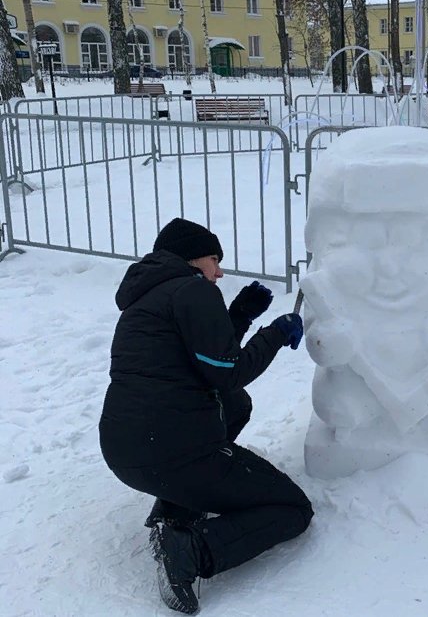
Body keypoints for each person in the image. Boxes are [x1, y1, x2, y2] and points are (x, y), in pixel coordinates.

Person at [99, 217, 313, 614]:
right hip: (173, 450)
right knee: (293, 508)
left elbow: (200, 359)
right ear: (193, 257)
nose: (220, 270)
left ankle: (173, 510)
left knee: (237, 406)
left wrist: (241, 316)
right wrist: (277, 333)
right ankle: (190, 550)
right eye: (215, 259)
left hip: (125, 451)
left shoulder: (150, 297)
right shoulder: (193, 291)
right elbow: (228, 371)